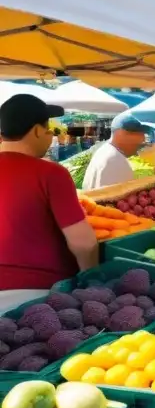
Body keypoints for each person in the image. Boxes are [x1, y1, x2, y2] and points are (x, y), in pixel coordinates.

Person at [0, 94, 99, 300]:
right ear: (37, 131)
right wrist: (91, 281)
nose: (50, 136)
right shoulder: (51, 174)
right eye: (49, 130)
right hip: (37, 293)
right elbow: (84, 243)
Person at [82, 113, 149, 191]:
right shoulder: (115, 160)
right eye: (141, 134)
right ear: (122, 133)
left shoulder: (105, 151)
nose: (143, 140)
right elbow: (114, 200)